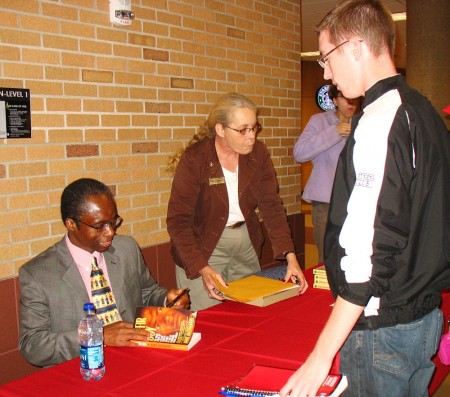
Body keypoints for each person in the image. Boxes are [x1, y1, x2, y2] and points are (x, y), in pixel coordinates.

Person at [281, 1, 450, 396]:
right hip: (423, 315)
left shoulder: (379, 121)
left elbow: (369, 254)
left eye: (326, 58)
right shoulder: (421, 110)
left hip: (382, 327)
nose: (326, 73)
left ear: (354, 46)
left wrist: (321, 356)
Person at [19, 178, 190, 367]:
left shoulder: (126, 249)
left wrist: (168, 300)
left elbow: (147, 291)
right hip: (81, 369)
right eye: (99, 226)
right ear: (71, 224)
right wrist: (98, 336)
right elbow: (33, 346)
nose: (110, 233)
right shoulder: (38, 274)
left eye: (113, 221)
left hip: (136, 359)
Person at [166, 92, 308, 311]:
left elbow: (272, 207)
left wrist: (290, 256)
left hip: (244, 241)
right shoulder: (196, 159)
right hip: (204, 246)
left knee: (247, 312)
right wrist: (202, 268)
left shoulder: (258, 154)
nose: (251, 136)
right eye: (242, 130)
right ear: (220, 129)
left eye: (254, 128)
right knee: (208, 318)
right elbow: (178, 221)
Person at [293, 85, 358, 263]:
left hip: (356, 202)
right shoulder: (320, 121)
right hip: (326, 202)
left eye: (354, 97)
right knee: (327, 257)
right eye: (345, 97)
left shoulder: (363, 123)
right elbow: (299, 153)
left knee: (354, 255)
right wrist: (334, 132)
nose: (351, 102)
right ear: (335, 101)